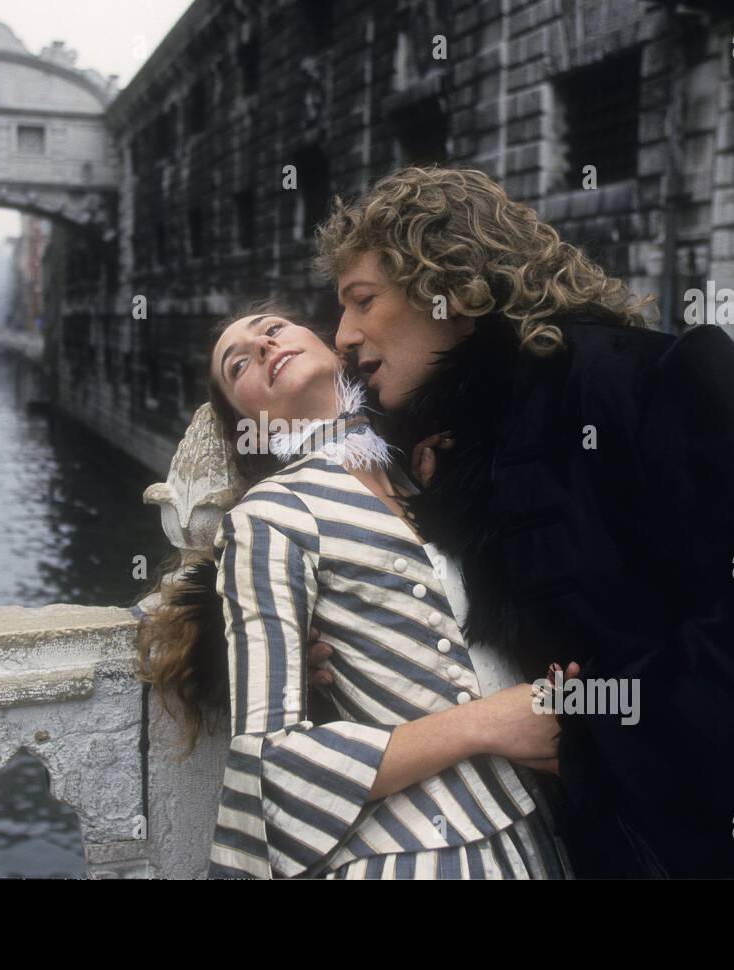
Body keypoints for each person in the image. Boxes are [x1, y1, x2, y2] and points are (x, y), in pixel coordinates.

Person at [310, 164, 734, 878]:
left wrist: (600, 725)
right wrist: (320, 639)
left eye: (362, 301)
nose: (343, 337)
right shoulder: (441, 457)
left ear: (448, 281)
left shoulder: (652, 377)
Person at [136, 299, 577, 879]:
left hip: (527, 833)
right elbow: (270, 764)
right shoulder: (269, 515)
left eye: (273, 329)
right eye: (237, 364)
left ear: (331, 344)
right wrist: (490, 723)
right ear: (247, 423)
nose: (264, 346)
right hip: (408, 855)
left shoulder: (424, 476)